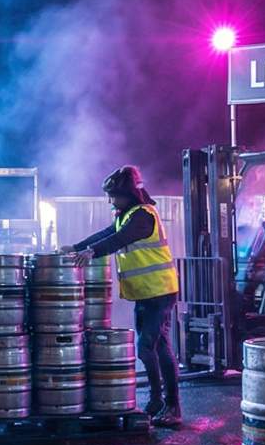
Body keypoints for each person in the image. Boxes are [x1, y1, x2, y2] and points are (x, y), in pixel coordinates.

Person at [68, 165, 181, 426]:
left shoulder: (143, 216)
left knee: (147, 347)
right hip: (147, 292)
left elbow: (119, 239)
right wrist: (76, 247)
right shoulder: (127, 214)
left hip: (160, 291)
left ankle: (162, 403)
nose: (110, 201)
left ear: (128, 194)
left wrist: (91, 252)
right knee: (159, 346)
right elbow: (108, 233)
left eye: (113, 196)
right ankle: (167, 404)